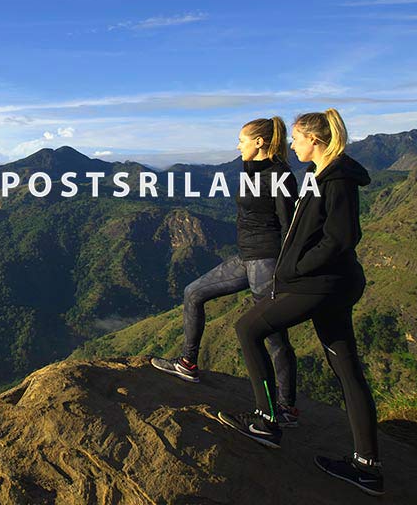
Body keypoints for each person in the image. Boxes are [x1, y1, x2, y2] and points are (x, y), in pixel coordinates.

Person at [218, 108, 383, 497]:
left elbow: (341, 237)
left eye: (298, 139)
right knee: (345, 366)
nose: (292, 145)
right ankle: (367, 467)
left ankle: (266, 420)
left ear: (316, 141)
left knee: (248, 328)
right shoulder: (320, 175)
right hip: (328, 283)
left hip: (324, 283)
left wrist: (298, 269)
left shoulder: (336, 179)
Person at [151, 117, 300, 426]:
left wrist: (287, 269)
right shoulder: (254, 169)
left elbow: (289, 225)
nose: (237, 145)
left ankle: (286, 409)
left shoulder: (279, 175)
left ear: (259, 142)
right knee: (193, 292)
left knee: (273, 338)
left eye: (242, 140)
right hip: (246, 258)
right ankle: (187, 363)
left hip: (267, 262)